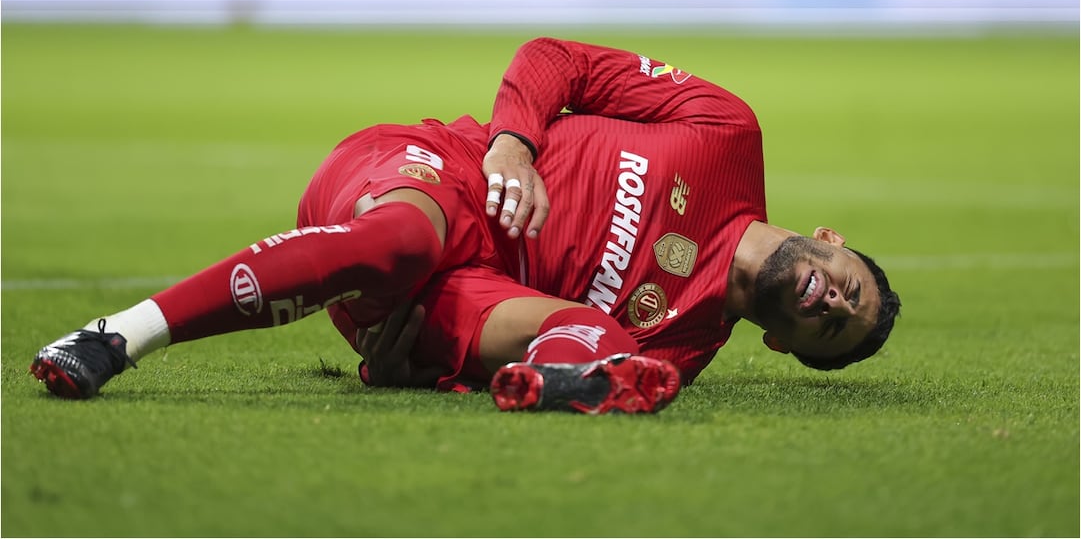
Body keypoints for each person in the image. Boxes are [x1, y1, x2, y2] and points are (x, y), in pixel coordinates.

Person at [30, 37, 901, 414]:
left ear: (785, 345)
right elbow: (556, 61)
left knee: (599, 339)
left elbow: (484, 333)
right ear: (829, 240)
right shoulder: (724, 132)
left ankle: (549, 388)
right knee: (403, 242)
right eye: (848, 289)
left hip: (432, 306)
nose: (828, 302)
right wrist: (515, 148)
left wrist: (413, 372)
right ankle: (117, 336)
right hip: (424, 177)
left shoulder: (678, 351)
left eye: (828, 327)